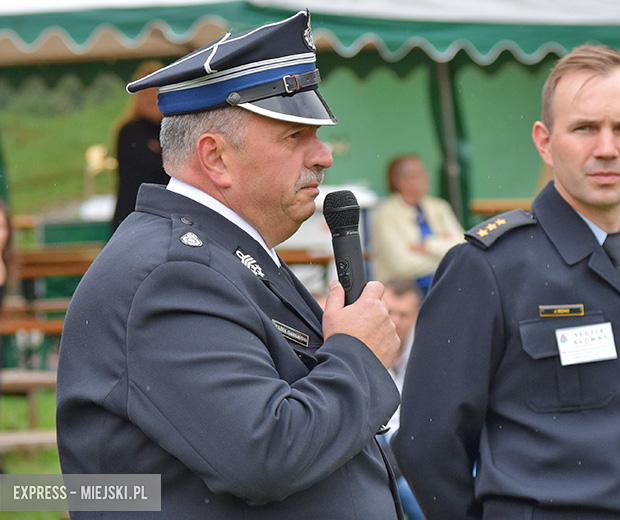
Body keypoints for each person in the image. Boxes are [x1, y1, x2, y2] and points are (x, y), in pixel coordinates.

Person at [57, 11, 403, 519]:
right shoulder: (172, 274)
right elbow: (266, 455)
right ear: (215, 158)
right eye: (294, 136)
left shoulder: (217, 254)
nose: (324, 155)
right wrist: (357, 354)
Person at [393, 44, 620, 519]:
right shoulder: (490, 267)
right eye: (584, 128)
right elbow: (425, 441)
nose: (606, 148)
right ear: (544, 140)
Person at [371, 154, 464, 295]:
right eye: (417, 174)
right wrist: (446, 256)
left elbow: (462, 246)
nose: (425, 178)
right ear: (399, 181)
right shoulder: (386, 215)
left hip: (444, 286)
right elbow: (404, 266)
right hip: (401, 293)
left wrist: (428, 246)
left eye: (424, 172)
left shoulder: (439, 207)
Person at [378, 278, 425, 520]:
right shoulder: (362, 347)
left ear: (417, 315)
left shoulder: (429, 353)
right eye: (389, 312)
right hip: (380, 452)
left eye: (404, 315)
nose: (395, 322)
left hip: (419, 451)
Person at [110, 60, 169, 232]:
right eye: (146, 93)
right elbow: (160, 166)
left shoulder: (173, 130)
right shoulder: (129, 132)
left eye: (157, 92)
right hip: (132, 218)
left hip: (165, 217)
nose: (152, 97)